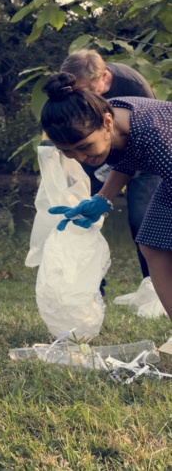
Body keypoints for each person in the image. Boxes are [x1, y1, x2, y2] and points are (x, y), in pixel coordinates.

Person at [42, 73, 172, 330]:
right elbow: (129, 156)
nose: (79, 157)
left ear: (107, 122)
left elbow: (142, 147)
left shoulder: (155, 135)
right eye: (68, 152)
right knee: (152, 246)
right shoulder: (110, 122)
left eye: (84, 147)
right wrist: (102, 199)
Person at [60, 50, 160, 279]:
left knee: (143, 220)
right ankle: (89, 285)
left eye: (88, 92)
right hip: (92, 155)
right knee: (80, 216)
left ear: (104, 77)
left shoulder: (133, 86)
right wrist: (102, 197)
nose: (82, 100)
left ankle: (152, 286)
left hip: (143, 159)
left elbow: (149, 141)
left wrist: (115, 175)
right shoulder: (68, 90)